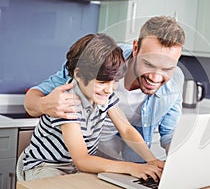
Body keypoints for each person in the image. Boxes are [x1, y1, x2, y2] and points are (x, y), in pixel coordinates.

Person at [24, 16, 185, 162]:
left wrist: (177, 164)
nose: (155, 78)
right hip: (75, 157)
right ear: (136, 48)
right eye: (148, 64)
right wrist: (44, 104)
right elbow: (33, 98)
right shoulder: (100, 59)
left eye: (167, 69)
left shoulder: (174, 83)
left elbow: (168, 135)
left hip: (121, 160)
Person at [22, 33, 164, 181]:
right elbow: (82, 160)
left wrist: (151, 159)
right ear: (79, 75)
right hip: (47, 166)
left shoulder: (103, 96)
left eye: (114, 81)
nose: (109, 89)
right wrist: (130, 167)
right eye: (102, 82)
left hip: (75, 168)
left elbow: (126, 129)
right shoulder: (68, 101)